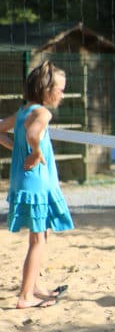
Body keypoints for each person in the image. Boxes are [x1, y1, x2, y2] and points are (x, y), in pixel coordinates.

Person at [1, 61, 74, 309]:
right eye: (60, 89)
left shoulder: (23, 110)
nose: (62, 94)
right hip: (36, 184)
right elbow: (33, 134)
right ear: (46, 89)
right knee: (38, 240)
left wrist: (19, 150)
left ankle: (35, 287)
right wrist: (33, 151)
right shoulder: (42, 113)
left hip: (26, 181)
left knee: (41, 235)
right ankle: (25, 297)